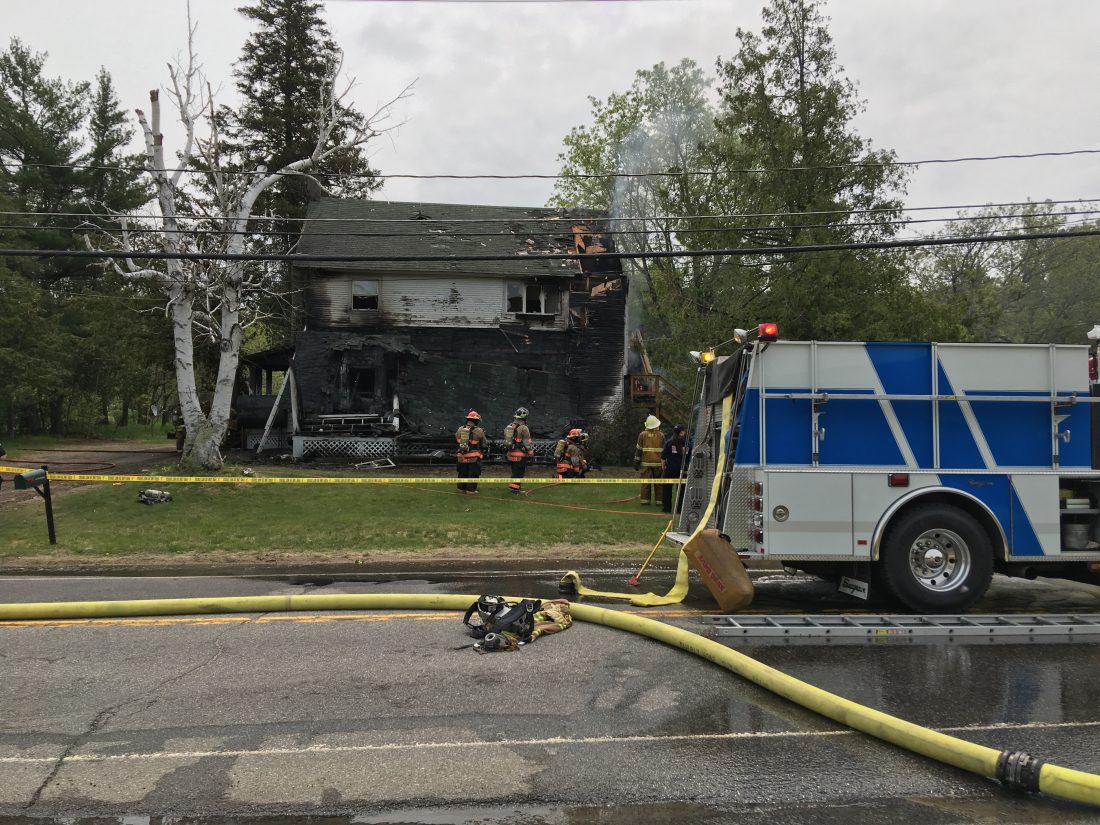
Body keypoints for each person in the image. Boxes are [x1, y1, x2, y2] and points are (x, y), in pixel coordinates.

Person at [635, 414, 665, 505]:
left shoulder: (642, 434)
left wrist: (636, 462)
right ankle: (659, 502)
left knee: (645, 483)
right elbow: (664, 450)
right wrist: (665, 463)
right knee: (659, 484)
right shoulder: (661, 435)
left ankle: (645, 502)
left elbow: (639, 449)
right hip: (658, 464)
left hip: (645, 464)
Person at [455, 410, 487, 494]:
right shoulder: (479, 430)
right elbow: (484, 444)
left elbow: (457, 439)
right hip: (473, 457)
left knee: (462, 472)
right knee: (473, 473)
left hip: (461, 456)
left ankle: (460, 488)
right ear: (476, 421)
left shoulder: (460, 429)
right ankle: (470, 490)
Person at [661, 424, 690, 514]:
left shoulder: (669, 442)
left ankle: (666, 508)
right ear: (681, 432)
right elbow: (690, 457)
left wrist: (663, 467)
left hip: (670, 469)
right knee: (681, 490)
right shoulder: (688, 443)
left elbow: (663, 456)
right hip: (683, 469)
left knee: (667, 489)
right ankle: (679, 509)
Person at [505, 407, 534, 493]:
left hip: (510, 453)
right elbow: (527, 442)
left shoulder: (509, 426)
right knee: (519, 472)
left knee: (514, 470)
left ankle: (514, 486)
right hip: (520, 455)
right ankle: (515, 489)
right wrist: (530, 452)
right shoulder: (524, 428)